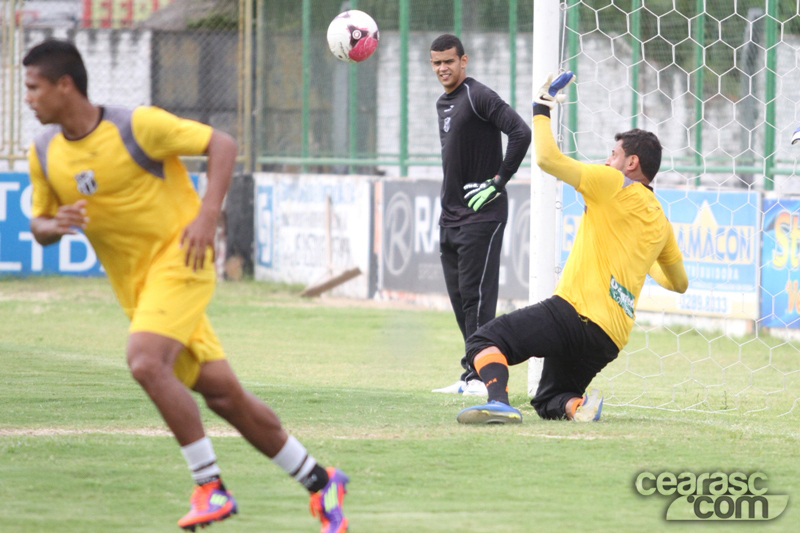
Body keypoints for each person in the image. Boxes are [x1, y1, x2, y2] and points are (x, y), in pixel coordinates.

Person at [23, 39, 349, 533]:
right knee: (225, 398)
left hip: (183, 261)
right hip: (139, 292)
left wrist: (206, 217)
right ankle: (323, 484)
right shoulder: (45, 151)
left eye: (33, 87)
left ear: (64, 85)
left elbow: (223, 143)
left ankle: (209, 486)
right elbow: (40, 226)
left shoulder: (136, 125)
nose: (27, 98)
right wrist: (54, 225)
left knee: (144, 361)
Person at [456, 71, 689, 424]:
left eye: (613, 154)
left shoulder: (615, 182)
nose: (607, 160)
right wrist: (644, 260)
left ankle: (499, 403)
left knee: (484, 339)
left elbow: (548, 159)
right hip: (610, 337)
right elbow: (678, 284)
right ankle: (579, 408)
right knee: (549, 399)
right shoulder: (661, 222)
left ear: (632, 163)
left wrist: (540, 109)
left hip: (575, 313)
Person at [428, 34, 532, 397]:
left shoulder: (478, 95)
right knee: (460, 300)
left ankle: (481, 379)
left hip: (481, 216)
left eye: (449, 62)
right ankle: (471, 370)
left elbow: (521, 132)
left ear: (464, 61)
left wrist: (499, 181)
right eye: (437, 63)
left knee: (476, 298)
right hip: (450, 217)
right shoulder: (443, 102)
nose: (443, 68)